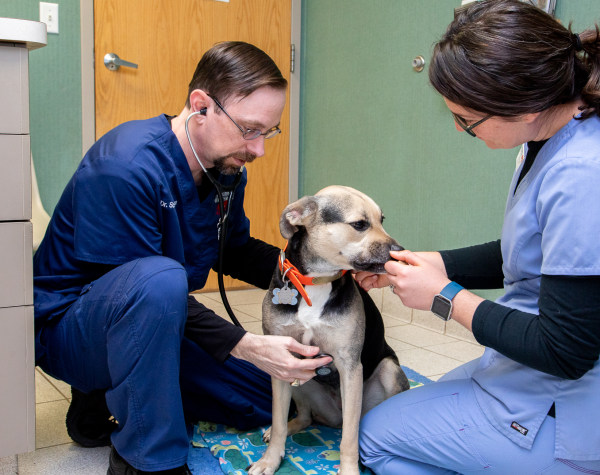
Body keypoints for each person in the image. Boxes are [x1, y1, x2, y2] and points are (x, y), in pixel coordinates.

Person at [33, 41, 333, 474]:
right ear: (201, 106)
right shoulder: (125, 166)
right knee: (160, 282)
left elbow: (235, 250)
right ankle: (147, 458)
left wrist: (316, 273)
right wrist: (245, 345)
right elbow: (139, 290)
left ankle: (103, 400)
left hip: (156, 317)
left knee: (267, 399)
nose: (259, 149)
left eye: (267, 132)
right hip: (73, 330)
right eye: (249, 129)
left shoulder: (224, 171)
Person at [356, 1, 600, 473]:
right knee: (407, 414)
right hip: (527, 371)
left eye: (467, 120)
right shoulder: (554, 130)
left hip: (566, 401)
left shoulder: (581, 174)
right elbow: (532, 254)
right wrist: (432, 263)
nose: (458, 128)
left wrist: (444, 297)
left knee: (374, 439)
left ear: (527, 106)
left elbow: (565, 350)